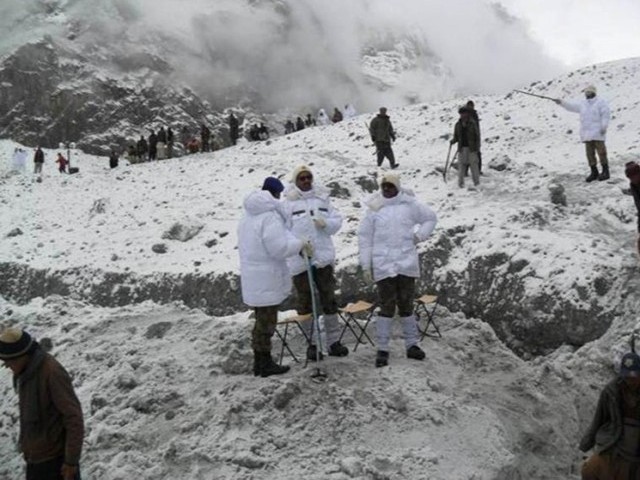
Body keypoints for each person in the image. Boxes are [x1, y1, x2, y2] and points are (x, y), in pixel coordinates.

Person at [358, 172, 438, 367]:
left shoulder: (410, 206)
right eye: (384, 186)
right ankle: (382, 348)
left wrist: (419, 236)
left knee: (406, 304)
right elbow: (365, 239)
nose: (387, 189)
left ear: (398, 187)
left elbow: (430, 218)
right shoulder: (374, 210)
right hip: (383, 265)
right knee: (386, 306)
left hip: (405, 262)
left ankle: (412, 345)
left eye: (391, 186)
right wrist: (366, 265)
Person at [237, 177, 307, 377]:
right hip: (266, 277)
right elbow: (279, 248)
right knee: (266, 323)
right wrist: (300, 244)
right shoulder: (269, 217)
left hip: (253, 277)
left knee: (261, 321)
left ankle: (260, 363)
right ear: (276, 194)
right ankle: (264, 364)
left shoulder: (248, 216)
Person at [281, 165, 349, 360]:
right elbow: (283, 231)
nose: (305, 181)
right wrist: (298, 246)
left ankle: (333, 342)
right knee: (305, 302)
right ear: (296, 181)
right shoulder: (288, 205)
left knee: (328, 298)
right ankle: (312, 344)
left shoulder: (322, 199)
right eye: (301, 178)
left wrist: (326, 224)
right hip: (300, 260)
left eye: (308, 177)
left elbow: (337, 222)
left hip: (323, 258)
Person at [0, 328, 84, 480]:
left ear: (21, 355)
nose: (7, 366)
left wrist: (71, 462)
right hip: (36, 461)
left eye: (9, 361)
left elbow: (74, 417)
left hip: (55, 464)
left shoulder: (52, 372)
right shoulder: (26, 373)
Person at [580, 351, 640, 479]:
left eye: (634, 377)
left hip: (636, 452)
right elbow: (599, 418)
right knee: (590, 470)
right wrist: (587, 443)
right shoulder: (611, 391)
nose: (630, 381)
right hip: (614, 445)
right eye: (627, 377)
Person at [554, 85, 611, 182]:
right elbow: (571, 107)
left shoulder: (601, 102)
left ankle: (605, 172)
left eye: (589, 92)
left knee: (602, 153)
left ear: (594, 92)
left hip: (598, 132)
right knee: (589, 154)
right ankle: (594, 172)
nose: (587, 94)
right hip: (587, 134)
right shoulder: (582, 104)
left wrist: (604, 126)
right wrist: (561, 103)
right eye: (586, 92)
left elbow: (605, 115)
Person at [450, 106, 480, 189]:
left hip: (472, 148)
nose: (463, 115)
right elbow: (456, 136)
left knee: (474, 166)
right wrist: (453, 141)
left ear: (467, 114)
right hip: (462, 148)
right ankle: (460, 184)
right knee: (461, 166)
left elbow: (477, 136)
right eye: (461, 113)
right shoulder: (458, 125)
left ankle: (476, 183)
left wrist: (477, 148)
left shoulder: (472, 123)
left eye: (464, 113)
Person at [625, 162, 640, 257]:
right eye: (630, 178)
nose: (632, 180)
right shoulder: (633, 185)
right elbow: (639, 204)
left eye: (634, 177)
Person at [466, 100, 482, 174]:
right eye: (469, 106)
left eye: (472, 106)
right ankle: (465, 171)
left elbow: (477, 127)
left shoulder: (475, 114)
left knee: (477, 155)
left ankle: (477, 171)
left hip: (475, 138)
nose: (471, 107)